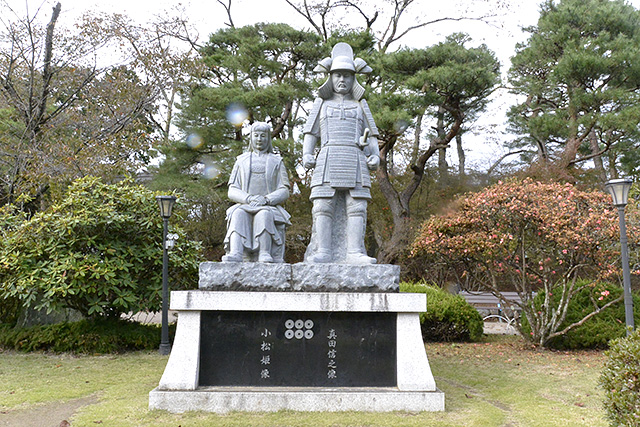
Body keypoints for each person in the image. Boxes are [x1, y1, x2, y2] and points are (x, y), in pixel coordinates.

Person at [302, 42, 380, 264]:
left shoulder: (360, 105)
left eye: (347, 75)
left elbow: (372, 135)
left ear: (354, 78)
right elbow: (311, 132)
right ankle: (323, 252)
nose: (342, 80)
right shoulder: (321, 104)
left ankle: (355, 252)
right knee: (322, 205)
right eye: (338, 75)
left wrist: (374, 156)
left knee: (358, 206)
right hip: (327, 156)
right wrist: (307, 154)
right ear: (330, 77)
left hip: (355, 158)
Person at [222, 122, 291, 263]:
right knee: (238, 214)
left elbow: (284, 190)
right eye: (256, 135)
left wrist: (266, 199)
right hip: (245, 204)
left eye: (263, 136)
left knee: (264, 214)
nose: (259, 139)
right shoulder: (241, 161)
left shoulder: (277, 161)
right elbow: (232, 189)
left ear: (268, 138)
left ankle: (264, 252)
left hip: (268, 206)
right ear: (251, 137)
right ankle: (236, 252)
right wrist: (248, 198)